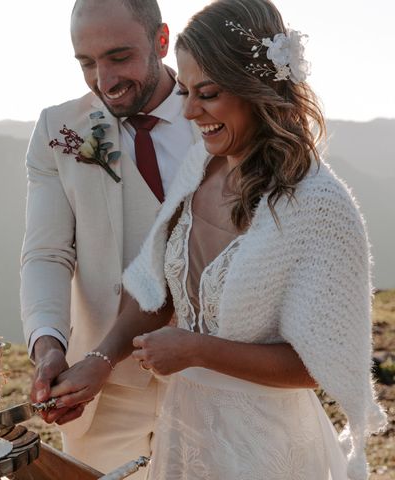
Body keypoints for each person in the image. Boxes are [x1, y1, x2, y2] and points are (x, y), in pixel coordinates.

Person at [49, 0, 387, 478]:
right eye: (185, 90)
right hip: (185, 435)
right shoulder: (201, 168)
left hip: (267, 448)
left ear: (258, 89)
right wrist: (99, 361)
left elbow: (316, 365)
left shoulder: (320, 206)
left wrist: (195, 350)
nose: (188, 112)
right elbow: (155, 291)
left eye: (206, 93)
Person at [20, 0, 199, 474]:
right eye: (86, 63)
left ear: (161, 41)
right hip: (102, 392)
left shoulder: (218, 114)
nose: (104, 81)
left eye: (119, 57)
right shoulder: (58, 131)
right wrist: (48, 344)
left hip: (214, 373)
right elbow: (47, 253)